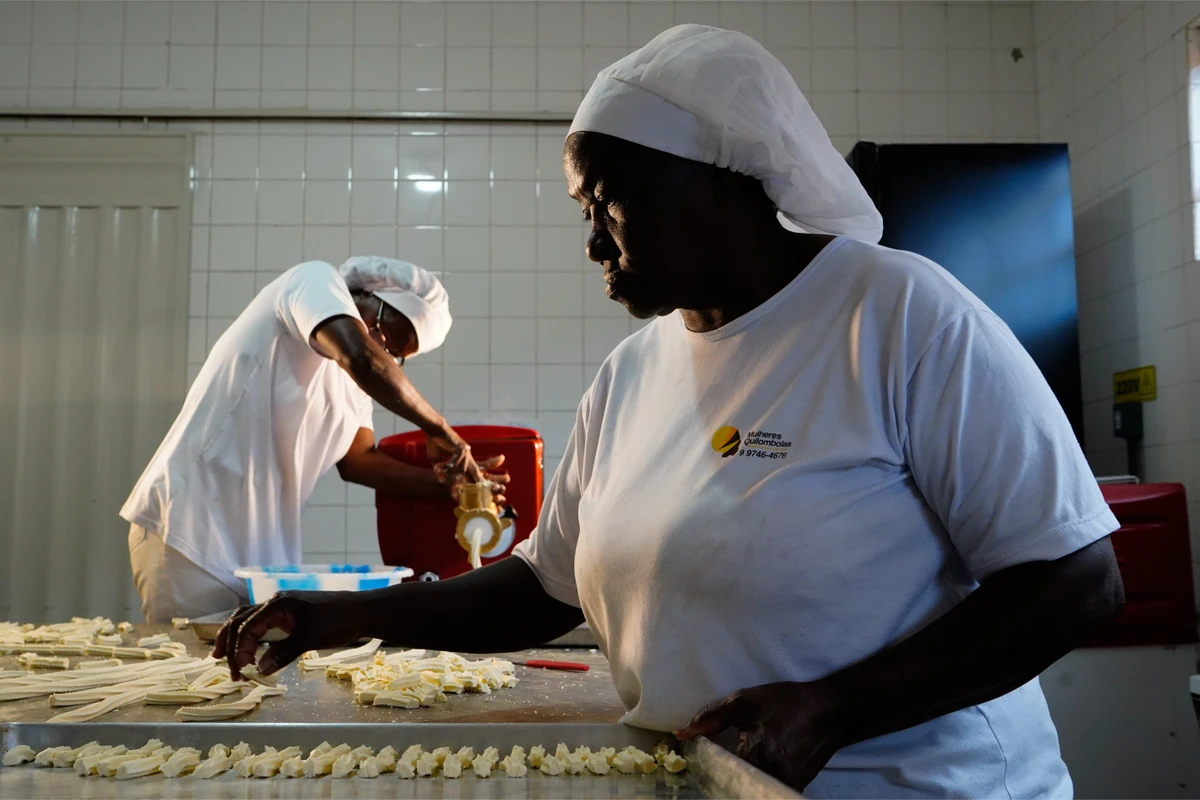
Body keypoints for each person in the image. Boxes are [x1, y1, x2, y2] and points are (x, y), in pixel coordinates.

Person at [213, 26, 1124, 799]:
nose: (591, 241)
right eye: (585, 209)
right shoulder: (631, 371)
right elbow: (543, 587)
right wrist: (347, 619)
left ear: (727, 180)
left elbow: (1075, 578)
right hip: (710, 783)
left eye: (611, 203)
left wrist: (833, 710)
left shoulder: (898, 315)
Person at [121, 256, 506, 623]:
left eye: (395, 353)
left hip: (262, 560)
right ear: (366, 298)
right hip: (191, 530)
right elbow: (362, 357)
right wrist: (440, 430)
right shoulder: (312, 282)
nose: (382, 349)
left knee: (250, 684)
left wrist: (444, 485)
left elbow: (358, 461)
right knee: (192, 682)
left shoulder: (354, 382)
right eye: (386, 333)